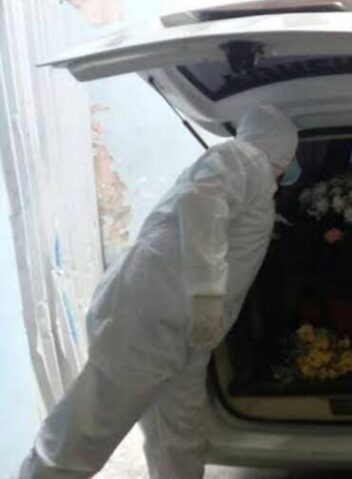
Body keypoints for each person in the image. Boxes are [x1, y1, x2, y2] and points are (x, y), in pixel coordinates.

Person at [19, 105, 299, 479]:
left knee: (179, 431)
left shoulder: (255, 176)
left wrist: (207, 310)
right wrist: (206, 295)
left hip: (185, 327)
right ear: (280, 144)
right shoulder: (243, 157)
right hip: (155, 313)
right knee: (95, 422)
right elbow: (201, 202)